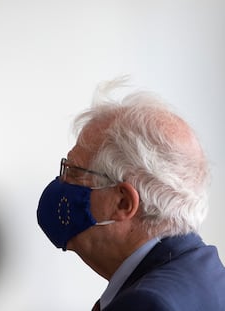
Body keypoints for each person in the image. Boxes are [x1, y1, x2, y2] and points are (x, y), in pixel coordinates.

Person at [37, 78, 225, 310]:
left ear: (123, 203)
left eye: (74, 172)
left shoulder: (147, 304)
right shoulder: (207, 271)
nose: (62, 182)